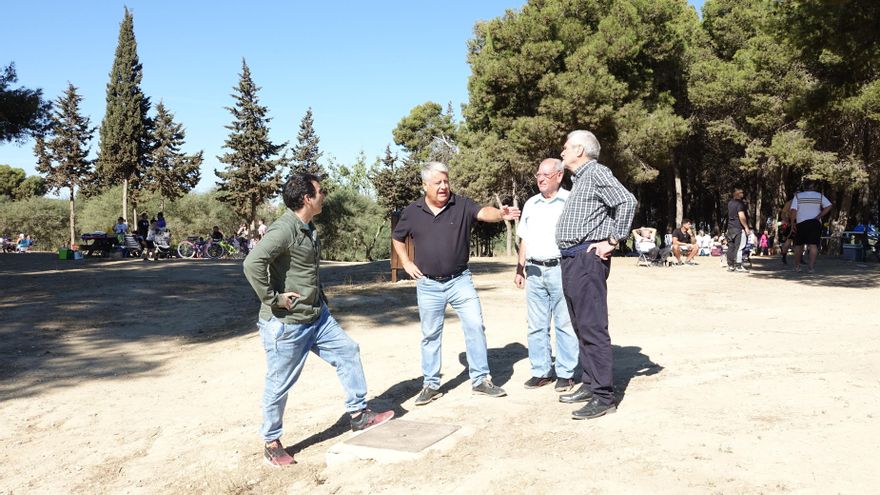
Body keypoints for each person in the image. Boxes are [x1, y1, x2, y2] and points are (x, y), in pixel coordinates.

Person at [243, 173, 394, 466]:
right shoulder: (283, 230)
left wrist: (321, 299)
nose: (324, 195)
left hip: (317, 317)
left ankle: (359, 415)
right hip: (287, 325)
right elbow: (252, 263)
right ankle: (271, 441)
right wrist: (274, 298)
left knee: (348, 351)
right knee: (279, 383)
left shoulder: (308, 226)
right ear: (307, 198)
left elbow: (305, 271)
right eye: (320, 191)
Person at [392, 161, 520, 406]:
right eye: (438, 182)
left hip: (460, 280)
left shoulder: (460, 204)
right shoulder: (412, 211)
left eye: (446, 181)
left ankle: (481, 379)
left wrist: (500, 214)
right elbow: (398, 238)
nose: (443, 187)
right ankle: (430, 384)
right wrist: (406, 263)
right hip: (428, 284)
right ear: (425, 185)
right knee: (430, 335)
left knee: (474, 326)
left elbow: (483, 212)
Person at [555, 130, 637, 420]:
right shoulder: (581, 179)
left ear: (579, 150)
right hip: (572, 259)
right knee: (580, 326)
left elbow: (628, 201)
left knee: (592, 326)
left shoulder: (596, 172)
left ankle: (603, 396)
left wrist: (613, 240)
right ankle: (589, 384)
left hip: (586, 260)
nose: (562, 152)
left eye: (566, 148)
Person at [514, 158, 578, 392]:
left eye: (545, 175)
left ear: (559, 176)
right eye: (537, 175)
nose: (540, 179)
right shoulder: (531, 203)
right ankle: (541, 372)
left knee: (564, 323)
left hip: (562, 269)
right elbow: (525, 238)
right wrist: (519, 268)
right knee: (536, 325)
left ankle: (565, 373)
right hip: (533, 270)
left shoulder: (570, 201)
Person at [790, 181, 833, 273]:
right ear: (814, 187)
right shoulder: (819, 196)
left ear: (804, 187)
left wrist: (793, 222)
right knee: (813, 245)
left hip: (801, 222)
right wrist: (819, 216)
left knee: (798, 245)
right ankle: (811, 268)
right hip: (815, 222)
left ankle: (797, 267)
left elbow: (794, 210)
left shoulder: (798, 196)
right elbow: (829, 206)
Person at [726, 188, 751, 272]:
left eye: (742, 192)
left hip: (730, 227)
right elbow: (741, 216)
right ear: (735, 194)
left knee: (731, 247)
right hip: (738, 228)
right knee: (740, 247)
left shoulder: (730, 203)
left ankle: (730, 265)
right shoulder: (740, 203)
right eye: (740, 192)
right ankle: (738, 265)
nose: (742, 194)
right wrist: (746, 227)